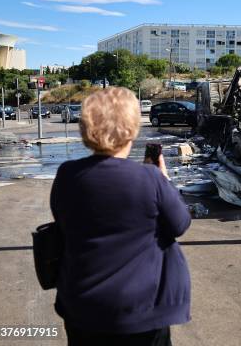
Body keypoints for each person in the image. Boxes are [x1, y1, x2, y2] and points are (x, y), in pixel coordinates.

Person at [50, 87, 191, 346]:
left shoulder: (67, 174)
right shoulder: (150, 178)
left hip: (82, 308)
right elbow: (180, 223)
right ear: (132, 128)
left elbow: (62, 219)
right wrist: (164, 181)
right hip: (141, 313)